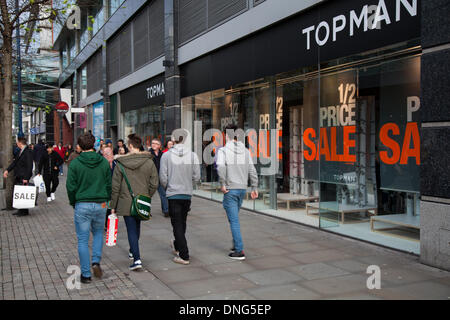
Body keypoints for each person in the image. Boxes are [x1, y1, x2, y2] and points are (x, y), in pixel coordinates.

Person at [66, 133, 112, 284]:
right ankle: (96, 261)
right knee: (99, 232)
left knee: (83, 240)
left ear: (79, 146)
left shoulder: (75, 164)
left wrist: (74, 202)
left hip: (82, 203)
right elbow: (108, 184)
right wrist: (107, 199)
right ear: (94, 145)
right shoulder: (104, 163)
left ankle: (85, 275)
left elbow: (70, 187)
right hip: (100, 203)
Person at [110, 134, 158, 271]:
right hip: (142, 199)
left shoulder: (120, 163)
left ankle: (136, 259)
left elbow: (115, 187)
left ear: (130, 146)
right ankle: (133, 250)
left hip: (126, 201)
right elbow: (154, 183)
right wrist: (148, 195)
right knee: (137, 228)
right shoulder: (149, 162)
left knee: (131, 229)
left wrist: (113, 205)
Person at [216, 124, 258, 261]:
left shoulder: (223, 150)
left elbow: (221, 167)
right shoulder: (246, 151)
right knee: (233, 218)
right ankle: (236, 245)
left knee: (234, 220)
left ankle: (239, 251)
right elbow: (252, 170)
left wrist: (222, 184)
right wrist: (254, 187)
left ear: (226, 135)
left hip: (230, 189)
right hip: (241, 189)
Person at [160, 133, 201, 265]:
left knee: (177, 224)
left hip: (173, 193)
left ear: (173, 140)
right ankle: (178, 245)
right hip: (186, 193)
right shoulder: (193, 155)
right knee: (182, 222)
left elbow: (163, 177)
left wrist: (169, 187)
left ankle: (184, 255)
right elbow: (197, 176)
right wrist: (189, 185)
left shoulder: (166, 155)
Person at [3, 137, 34, 216]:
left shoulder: (28, 152)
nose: (16, 144)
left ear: (20, 143)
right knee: (19, 193)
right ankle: (21, 210)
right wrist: (7, 170)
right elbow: (15, 163)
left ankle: (24, 211)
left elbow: (29, 166)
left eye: (17, 142)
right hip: (18, 176)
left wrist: (26, 178)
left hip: (23, 177)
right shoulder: (21, 151)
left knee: (22, 193)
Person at [149, 138, 169, 217]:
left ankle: (166, 210)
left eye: (156, 143)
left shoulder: (162, 154)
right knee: (149, 195)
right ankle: (147, 211)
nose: (154, 145)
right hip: (151, 178)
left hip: (160, 177)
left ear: (159, 146)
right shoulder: (148, 154)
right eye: (153, 143)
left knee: (163, 194)